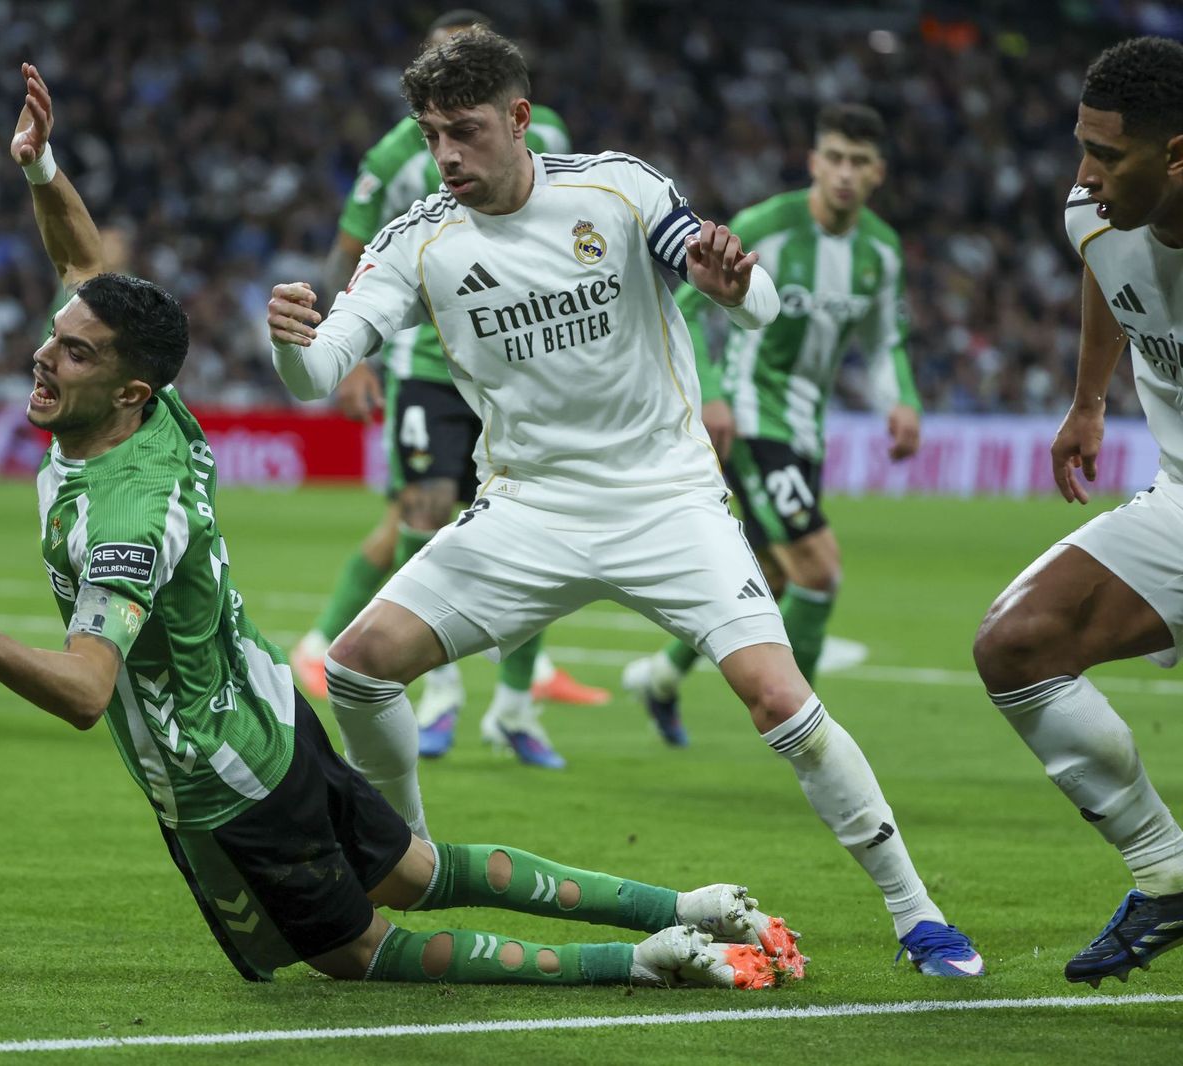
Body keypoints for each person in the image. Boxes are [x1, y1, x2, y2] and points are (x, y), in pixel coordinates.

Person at [0, 62, 806, 990]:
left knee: (361, 953)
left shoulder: (127, 514)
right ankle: (685, 908)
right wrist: (40, 168)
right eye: (57, 341)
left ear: (126, 388)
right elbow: (85, 270)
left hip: (220, 776)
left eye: (69, 352)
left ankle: (637, 963)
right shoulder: (151, 408)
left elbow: (85, 690)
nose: (42, 355)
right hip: (276, 710)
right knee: (422, 872)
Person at [267, 26, 982, 977]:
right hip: (528, 509)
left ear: (519, 119)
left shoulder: (620, 187)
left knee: (780, 698)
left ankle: (916, 911)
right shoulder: (418, 239)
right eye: (431, 133)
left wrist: (738, 288)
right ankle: (411, 862)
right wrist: (288, 338)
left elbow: (751, 299)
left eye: (465, 130)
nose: (444, 155)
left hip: (667, 499)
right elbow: (318, 376)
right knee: (358, 669)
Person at [289, 9, 605, 771]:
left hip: (522, 363)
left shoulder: (552, 136)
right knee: (424, 515)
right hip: (428, 366)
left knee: (540, 527)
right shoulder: (397, 155)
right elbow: (350, 251)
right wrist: (352, 353)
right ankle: (440, 697)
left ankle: (515, 710)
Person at [973, 35, 1183, 988]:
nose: (1084, 176)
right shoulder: (1091, 213)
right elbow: (1107, 266)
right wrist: (1089, 397)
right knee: (1018, 644)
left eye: (1109, 156)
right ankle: (1168, 874)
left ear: (1176, 154)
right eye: (1082, 146)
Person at [621, 104, 921, 748]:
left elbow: (885, 339)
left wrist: (903, 401)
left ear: (878, 174)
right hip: (755, 419)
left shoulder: (880, 251)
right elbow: (689, 305)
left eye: (859, 163)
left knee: (772, 577)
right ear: (814, 162)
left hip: (808, 427)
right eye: (834, 158)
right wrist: (716, 393)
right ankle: (805, 731)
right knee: (818, 569)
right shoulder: (767, 227)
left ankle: (662, 679)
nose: (844, 174)